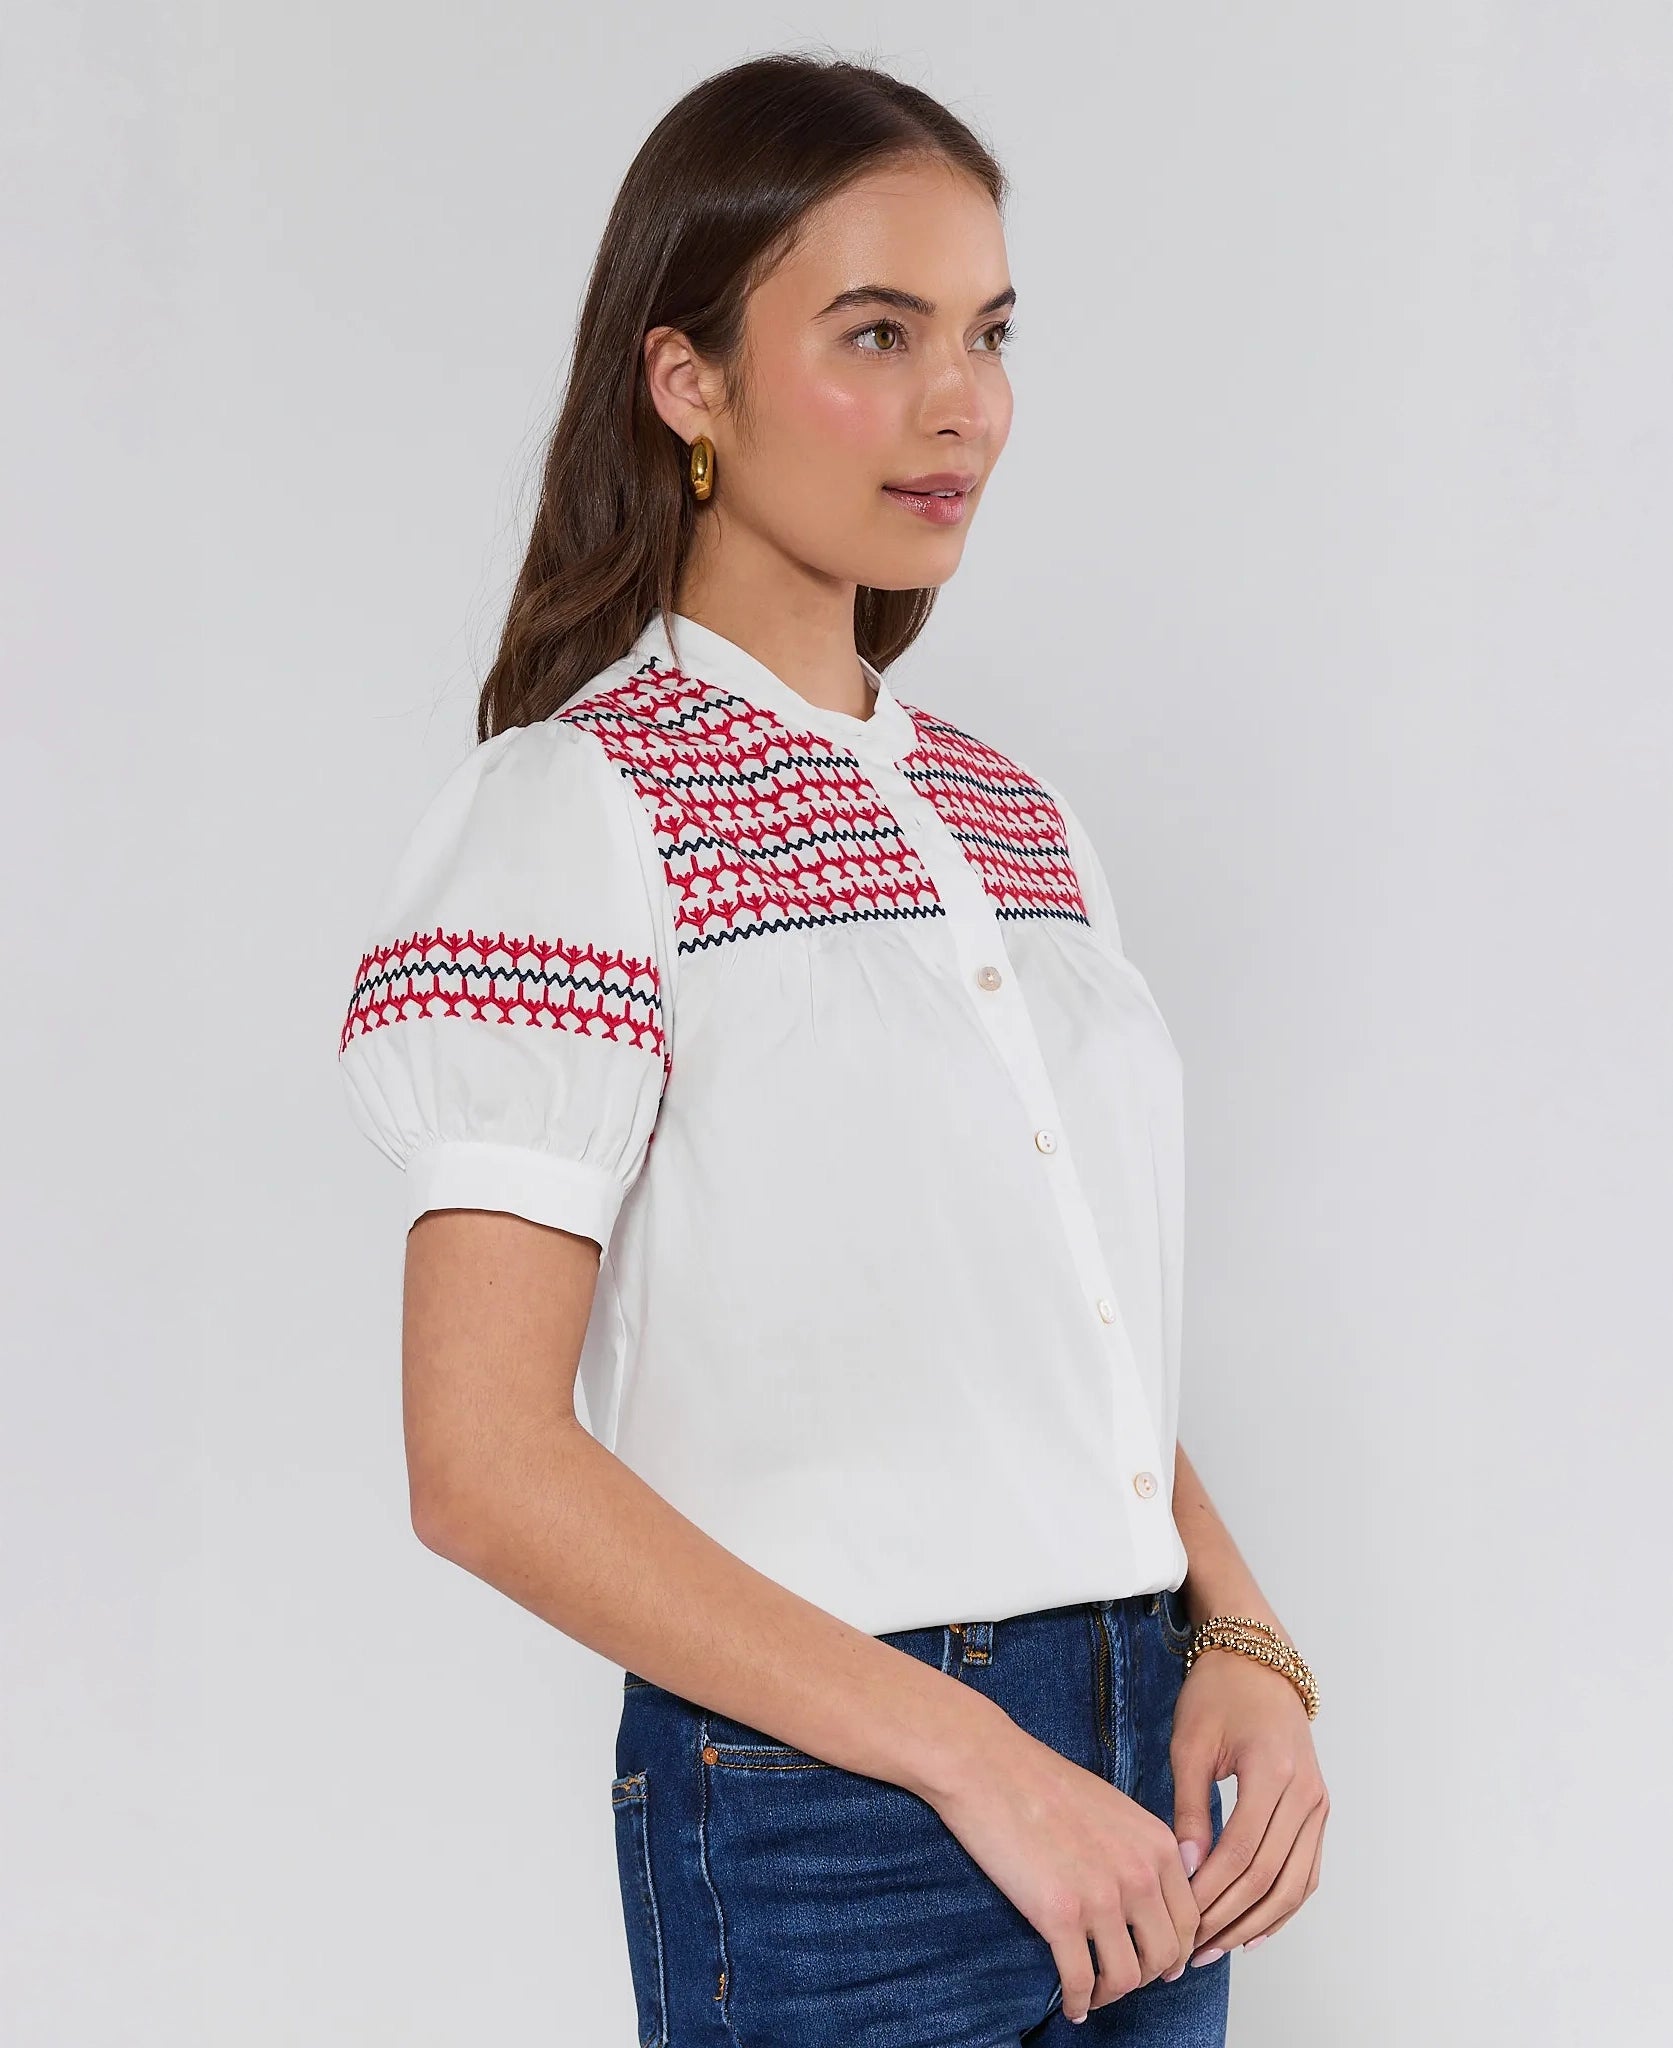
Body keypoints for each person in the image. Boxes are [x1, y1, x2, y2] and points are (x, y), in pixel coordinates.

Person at [335, 50, 1328, 2047]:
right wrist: (973, 1757)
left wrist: (1241, 1629)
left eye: (988, 334)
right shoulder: (578, 810)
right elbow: (486, 1463)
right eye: (877, 334)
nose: (960, 404)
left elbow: (1056, 1339)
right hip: (839, 1813)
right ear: (686, 380)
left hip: (1146, 1771)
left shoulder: (1015, 816)